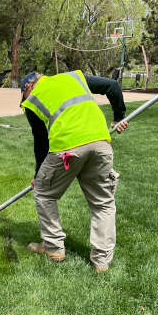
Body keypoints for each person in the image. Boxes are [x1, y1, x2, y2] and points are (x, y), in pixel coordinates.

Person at [20, 71, 129, 272]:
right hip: (100, 143)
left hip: (67, 149)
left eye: (23, 95)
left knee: (44, 193)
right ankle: (101, 262)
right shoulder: (75, 77)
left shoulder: (32, 100)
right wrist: (118, 117)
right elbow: (112, 86)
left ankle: (54, 249)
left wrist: (39, 176)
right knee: (103, 203)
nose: (24, 99)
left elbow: (41, 143)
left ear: (28, 87)